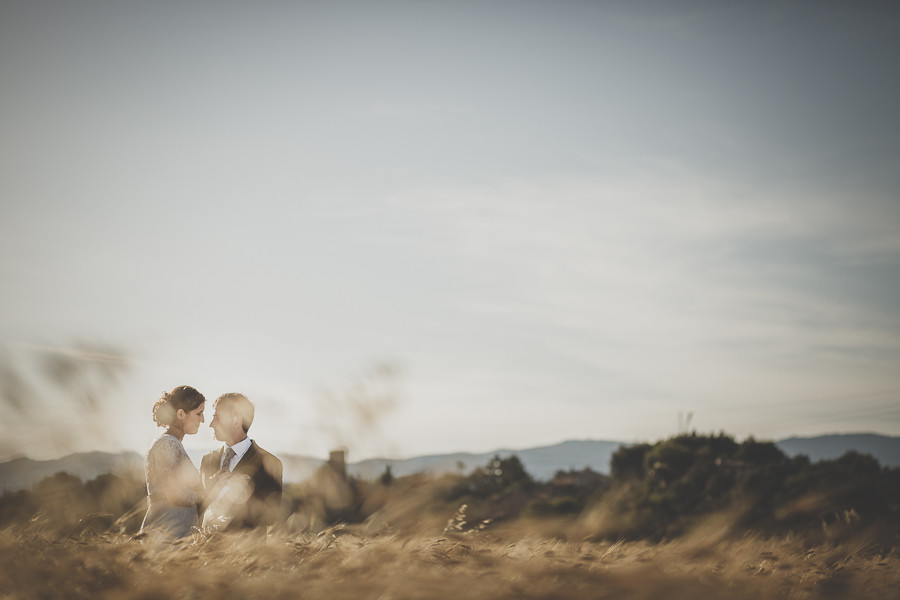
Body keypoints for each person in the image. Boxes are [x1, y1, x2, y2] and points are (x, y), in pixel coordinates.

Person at [200, 393, 283, 532]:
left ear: (236, 421)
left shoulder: (269, 464)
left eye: (217, 417)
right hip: (202, 545)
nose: (211, 424)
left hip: (247, 546)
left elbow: (271, 517)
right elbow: (198, 508)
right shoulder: (207, 460)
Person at [140, 385, 206, 540]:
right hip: (167, 532)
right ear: (181, 414)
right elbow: (175, 493)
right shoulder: (167, 444)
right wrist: (206, 494)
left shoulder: (173, 443)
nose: (202, 420)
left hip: (176, 530)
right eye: (199, 413)